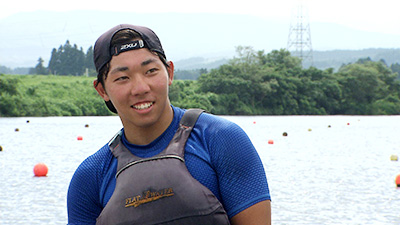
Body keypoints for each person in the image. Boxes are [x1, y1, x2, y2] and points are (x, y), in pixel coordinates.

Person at [67, 24, 271, 225]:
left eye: (150, 71)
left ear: (170, 72)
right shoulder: (91, 177)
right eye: (122, 78)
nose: (140, 88)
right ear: (102, 90)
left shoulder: (221, 140)